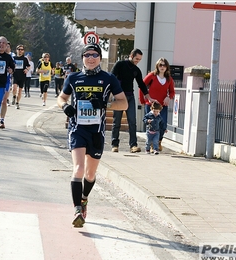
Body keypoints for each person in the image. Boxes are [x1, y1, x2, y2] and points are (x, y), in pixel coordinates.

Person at [57, 43, 128, 228]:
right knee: (78, 169)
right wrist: (65, 107)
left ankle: (84, 197)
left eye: (94, 54)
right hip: (77, 129)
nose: (90, 58)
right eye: (87, 54)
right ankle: (77, 210)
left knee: (90, 174)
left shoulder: (108, 78)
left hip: (97, 132)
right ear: (82, 58)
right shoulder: (73, 77)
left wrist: (106, 105)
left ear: (99, 58)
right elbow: (61, 97)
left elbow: (124, 104)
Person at [110, 48, 155, 153]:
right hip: (118, 97)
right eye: (136, 58)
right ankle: (114, 145)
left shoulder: (136, 70)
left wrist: (149, 97)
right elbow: (111, 78)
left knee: (132, 122)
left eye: (139, 60)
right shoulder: (120, 65)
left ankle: (133, 145)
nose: (137, 61)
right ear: (131, 55)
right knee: (116, 122)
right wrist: (110, 94)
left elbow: (142, 85)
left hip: (130, 98)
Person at [139, 57, 175, 151]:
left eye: (164, 65)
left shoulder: (169, 79)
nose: (162, 67)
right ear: (157, 66)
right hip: (151, 105)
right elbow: (141, 86)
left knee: (162, 125)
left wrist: (169, 97)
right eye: (160, 65)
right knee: (152, 125)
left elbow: (172, 92)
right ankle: (151, 145)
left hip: (162, 106)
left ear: (167, 67)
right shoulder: (152, 76)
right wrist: (144, 101)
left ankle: (158, 142)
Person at [0, 41, 15, 129]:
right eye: (5, 46)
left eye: (8, 46)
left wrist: (11, 70)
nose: (6, 48)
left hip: (6, 81)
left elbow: (14, 68)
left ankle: (2, 120)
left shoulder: (11, 58)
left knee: (4, 100)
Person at [12, 44, 31, 109]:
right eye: (19, 49)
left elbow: (28, 66)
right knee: (14, 88)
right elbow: (10, 65)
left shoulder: (25, 59)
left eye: (21, 49)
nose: (20, 51)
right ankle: (14, 96)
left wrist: (27, 69)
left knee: (19, 91)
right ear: (16, 50)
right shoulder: (14, 58)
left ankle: (17, 103)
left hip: (22, 76)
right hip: (15, 75)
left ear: (23, 51)